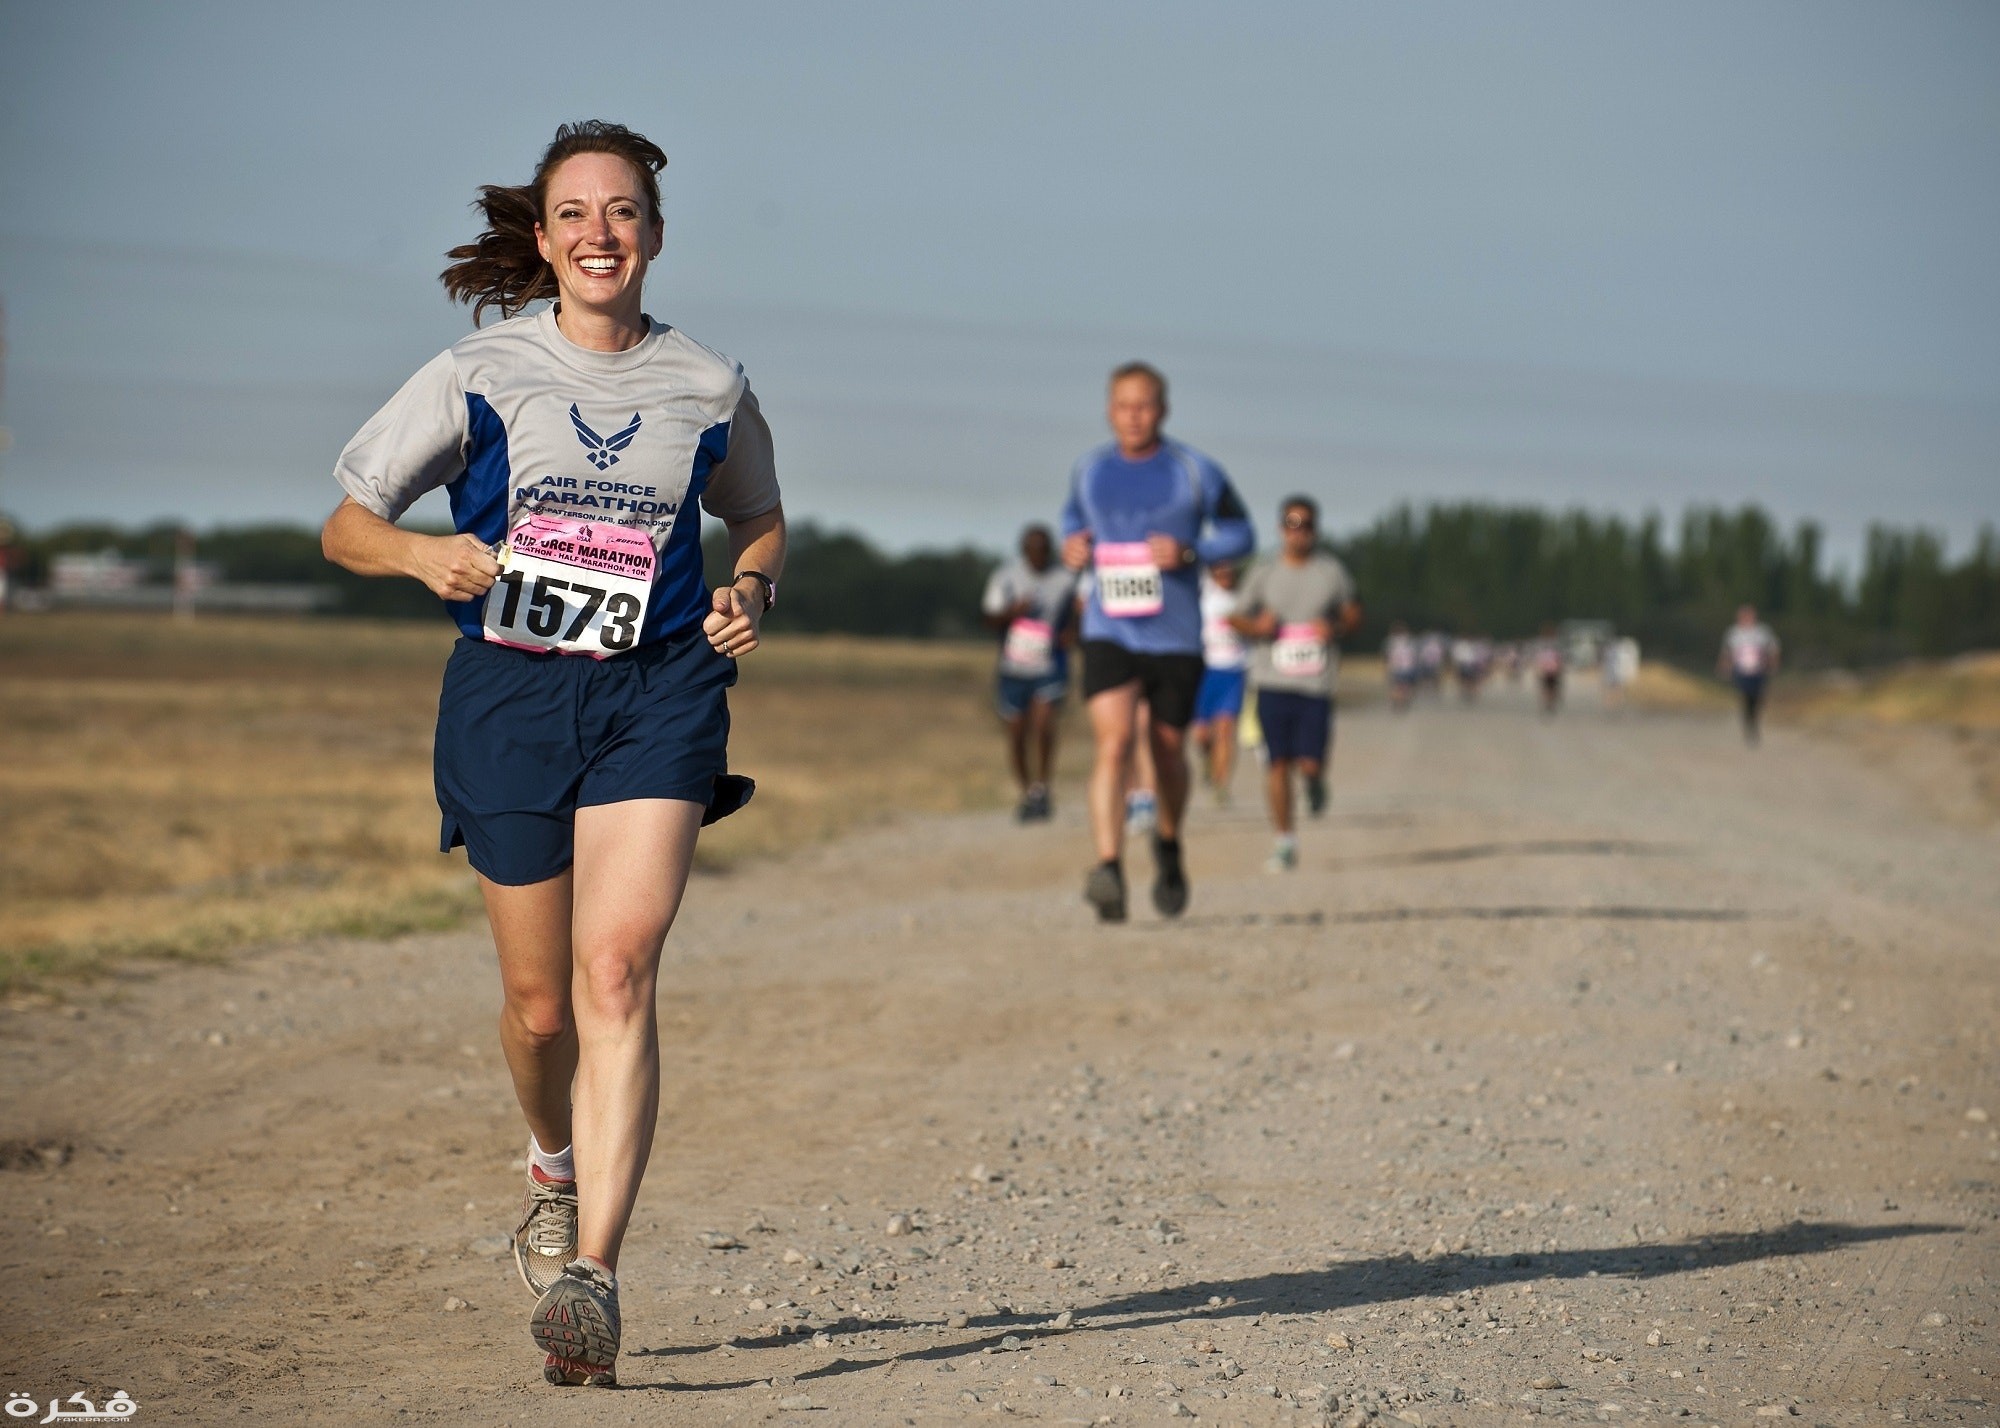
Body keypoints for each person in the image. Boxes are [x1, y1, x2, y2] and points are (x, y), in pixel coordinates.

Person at [320, 121, 785, 1389]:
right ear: (542, 237)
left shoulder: (707, 381)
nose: (600, 233)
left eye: (623, 211)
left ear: (654, 231)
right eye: (575, 213)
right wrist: (423, 556)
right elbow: (346, 523)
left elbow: (757, 512)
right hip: (511, 697)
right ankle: (551, 1164)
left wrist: (752, 585)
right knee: (539, 1010)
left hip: (660, 690)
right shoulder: (477, 369)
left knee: (617, 970)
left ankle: (595, 1275)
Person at [1060, 362, 1255, 921]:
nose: (1134, 416)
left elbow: (1242, 533)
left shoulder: (1196, 470)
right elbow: (1071, 524)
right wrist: (1072, 547)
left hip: (1174, 636)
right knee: (1114, 743)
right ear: (1108, 410)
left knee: (1167, 752)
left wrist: (1193, 552)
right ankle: (1109, 868)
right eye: (1123, 405)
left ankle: (1168, 846)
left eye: (1144, 406)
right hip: (1109, 629)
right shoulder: (1090, 470)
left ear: (1163, 411)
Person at [1231, 496, 1361, 871]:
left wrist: (1335, 627)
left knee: (1308, 763)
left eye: (1305, 524)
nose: (1298, 531)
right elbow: (1235, 617)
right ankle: (1285, 840)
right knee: (1277, 763)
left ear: (1315, 530)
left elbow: (1354, 613)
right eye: (1291, 523)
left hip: (1315, 685)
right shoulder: (1264, 572)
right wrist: (1257, 627)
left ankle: (1316, 782)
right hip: (1271, 680)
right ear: (1280, 528)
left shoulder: (1330, 572)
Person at [981, 524, 1078, 820]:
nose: (1038, 555)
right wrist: (1013, 612)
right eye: (1033, 549)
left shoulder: (1065, 579)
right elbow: (989, 617)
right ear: (1024, 551)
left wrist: (1071, 633)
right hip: (1013, 668)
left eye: (1044, 549)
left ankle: (1042, 787)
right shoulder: (1005, 577)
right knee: (1017, 733)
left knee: (1044, 724)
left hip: (1049, 666)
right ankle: (1026, 791)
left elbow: (1080, 612)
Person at [1191, 561, 1249, 803]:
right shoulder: (1202, 594)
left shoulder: (1244, 598)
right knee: (1202, 735)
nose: (1225, 573)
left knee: (1226, 730)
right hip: (1204, 670)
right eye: (1220, 568)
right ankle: (1208, 759)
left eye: (1229, 568)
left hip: (1234, 671)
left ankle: (1221, 785)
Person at [1717, 605, 1780, 744]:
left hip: (1759, 670)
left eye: (1749, 615)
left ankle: (1753, 719)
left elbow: (1773, 649)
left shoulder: (1762, 632)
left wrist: (1773, 664)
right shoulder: (1734, 633)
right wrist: (1724, 667)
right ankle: (1748, 721)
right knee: (1746, 695)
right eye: (1744, 615)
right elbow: (1727, 652)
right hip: (1741, 671)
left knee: (1757, 697)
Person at [1384, 621, 1419, 713]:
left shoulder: (1390, 642)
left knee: (1396, 686)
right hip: (1408, 668)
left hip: (1395, 668)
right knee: (1407, 686)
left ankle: (1396, 700)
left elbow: (1387, 656)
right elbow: (1414, 656)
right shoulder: (1410, 642)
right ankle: (1403, 699)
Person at [1532, 625, 1565, 715]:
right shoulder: (1556, 645)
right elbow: (1559, 659)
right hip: (1553, 671)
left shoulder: (1541, 645)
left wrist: (1538, 670)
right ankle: (1549, 703)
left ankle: (1547, 703)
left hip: (1546, 670)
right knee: (1552, 689)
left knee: (1546, 688)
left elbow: (1539, 659)